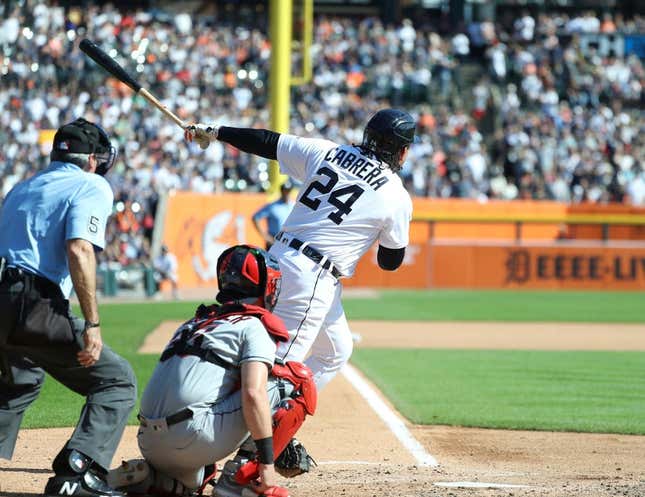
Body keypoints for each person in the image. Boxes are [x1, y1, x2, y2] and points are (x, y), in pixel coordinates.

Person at [184, 108, 414, 392]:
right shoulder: (396, 195)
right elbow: (389, 262)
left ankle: (281, 420)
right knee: (278, 365)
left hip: (276, 258)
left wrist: (217, 131)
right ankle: (254, 431)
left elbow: (267, 141)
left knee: (336, 350)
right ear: (402, 151)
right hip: (312, 275)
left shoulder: (329, 151)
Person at [107, 245, 317, 497]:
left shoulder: (193, 323)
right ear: (267, 286)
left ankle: (151, 477)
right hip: (192, 437)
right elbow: (253, 394)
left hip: (149, 443)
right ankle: (238, 481)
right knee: (296, 381)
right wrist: (268, 463)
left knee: (196, 478)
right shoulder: (253, 325)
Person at [0, 118, 137, 497]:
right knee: (117, 381)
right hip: (33, 301)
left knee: (21, 382)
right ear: (93, 159)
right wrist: (92, 322)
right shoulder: (91, 184)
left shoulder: (22, 186)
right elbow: (79, 248)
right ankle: (78, 474)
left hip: (2, 298)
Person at [252, 181, 295, 250]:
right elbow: (255, 218)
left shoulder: (293, 205)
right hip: (274, 240)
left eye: (288, 191)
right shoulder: (272, 206)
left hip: (289, 240)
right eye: (285, 191)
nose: (287, 193)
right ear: (282, 191)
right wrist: (266, 237)